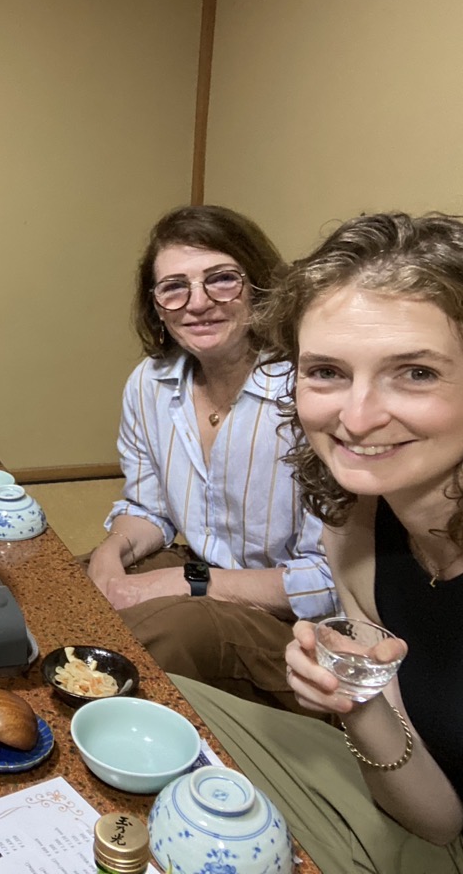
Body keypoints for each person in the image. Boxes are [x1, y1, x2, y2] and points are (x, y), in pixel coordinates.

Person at [176, 212, 463, 874]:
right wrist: (356, 701)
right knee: (161, 704)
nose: (356, 419)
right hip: (448, 834)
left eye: (414, 373)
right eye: (326, 371)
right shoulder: (356, 522)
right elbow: (438, 817)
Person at [84, 205, 336, 715]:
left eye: (222, 280)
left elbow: (328, 583)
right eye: (174, 287)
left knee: (154, 634)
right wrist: (109, 555)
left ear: (262, 287)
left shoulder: (309, 392)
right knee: (72, 587)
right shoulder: (150, 383)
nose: (197, 303)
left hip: (297, 624)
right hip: (204, 569)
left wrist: (188, 583)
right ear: (156, 305)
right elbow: (149, 509)